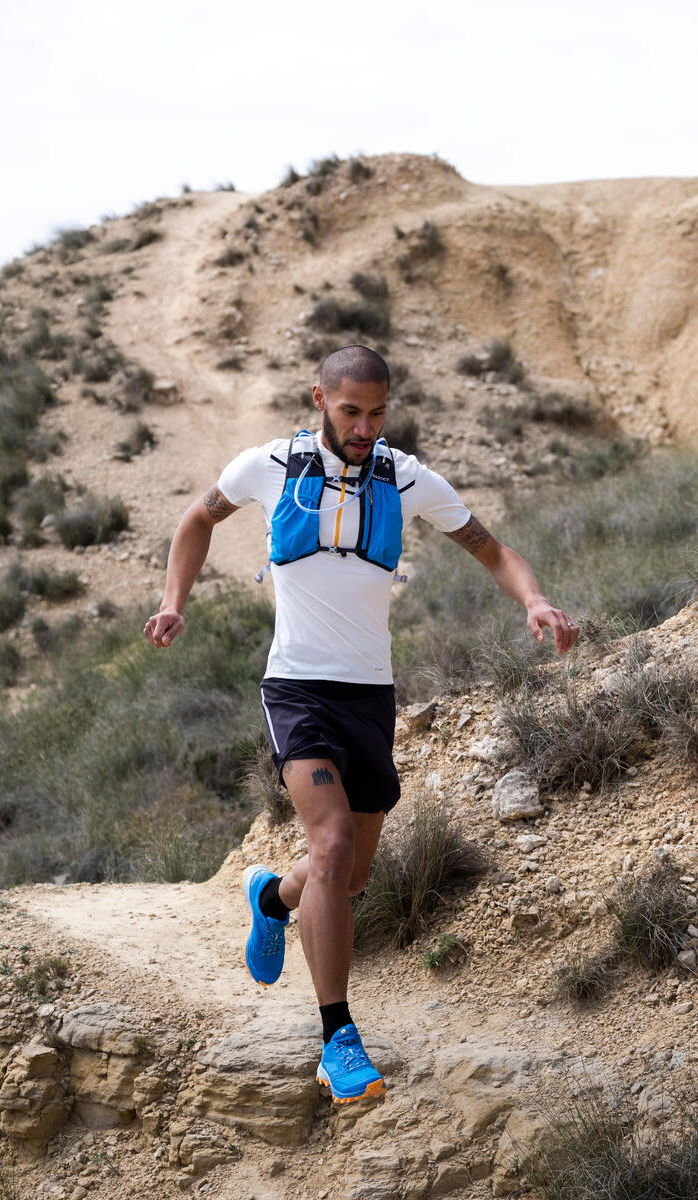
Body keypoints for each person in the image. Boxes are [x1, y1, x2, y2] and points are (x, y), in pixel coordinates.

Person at [143, 344, 579, 1104]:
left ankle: (273, 897)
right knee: (335, 843)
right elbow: (195, 519)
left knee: (351, 877)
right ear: (320, 398)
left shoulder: (406, 477)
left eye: (378, 412)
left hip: (369, 696)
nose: (365, 426)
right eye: (351, 411)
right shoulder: (269, 464)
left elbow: (490, 548)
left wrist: (534, 600)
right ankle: (337, 1038)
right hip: (296, 689)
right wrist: (176, 599)